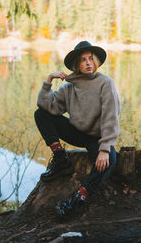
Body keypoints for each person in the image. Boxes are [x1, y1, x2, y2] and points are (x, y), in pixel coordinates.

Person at [34, 41, 120, 216]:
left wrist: (104, 149)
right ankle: (60, 160)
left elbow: (110, 118)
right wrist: (49, 80)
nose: (88, 63)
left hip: (98, 137)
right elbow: (47, 106)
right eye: (83, 60)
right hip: (77, 133)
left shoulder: (105, 83)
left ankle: (78, 200)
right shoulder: (69, 87)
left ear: (96, 61)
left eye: (91, 59)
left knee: (110, 160)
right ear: (77, 65)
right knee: (40, 114)